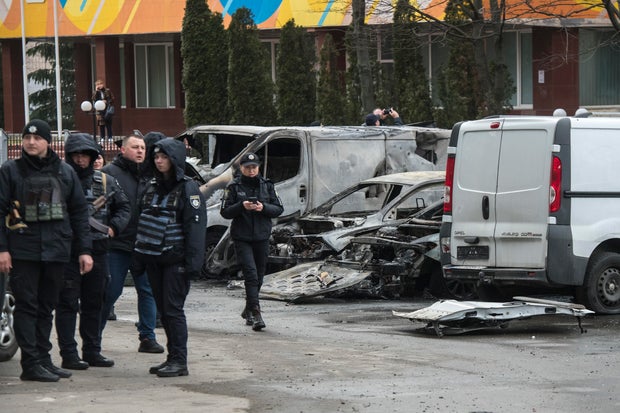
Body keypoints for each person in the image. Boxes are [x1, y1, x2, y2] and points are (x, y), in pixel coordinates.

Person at [0, 119, 93, 382]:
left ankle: (43, 358)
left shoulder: (64, 172)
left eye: (37, 138)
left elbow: (78, 213)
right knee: (27, 307)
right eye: (27, 138)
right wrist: (2, 249)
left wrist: (84, 250)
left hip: (57, 250)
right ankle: (30, 364)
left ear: (47, 141)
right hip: (23, 250)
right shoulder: (10, 171)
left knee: (46, 307)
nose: (31, 142)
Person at [55, 133, 131, 370]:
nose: (80, 160)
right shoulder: (59, 181)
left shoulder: (105, 181)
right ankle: (69, 353)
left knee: (94, 303)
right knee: (67, 304)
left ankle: (92, 350)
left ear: (92, 157)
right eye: (76, 155)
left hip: (98, 250)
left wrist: (113, 228)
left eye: (85, 155)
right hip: (67, 252)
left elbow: (124, 207)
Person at [133, 138, 206, 377]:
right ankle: (172, 358)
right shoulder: (151, 186)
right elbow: (140, 222)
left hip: (176, 262)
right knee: (163, 312)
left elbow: (195, 229)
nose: (159, 161)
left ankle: (180, 361)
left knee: (173, 311)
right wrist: (139, 259)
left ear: (174, 159)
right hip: (154, 260)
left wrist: (192, 265)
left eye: (163, 157)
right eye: (156, 157)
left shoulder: (188, 188)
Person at [100, 133, 164, 354]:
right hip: (117, 245)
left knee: (147, 291)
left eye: (143, 148)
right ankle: (93, 337)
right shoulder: (109, 174)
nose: (140, 151)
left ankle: (148, 337)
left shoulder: (152, 176)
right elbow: (100, 209)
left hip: (144, 246)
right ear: (123, 150)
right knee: (110, 291)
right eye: (135, 147)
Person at [220, 152, 283, 331]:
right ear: (241, 168)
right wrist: (241, 206)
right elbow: (225, 212)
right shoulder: (233, 187)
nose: (251, 170)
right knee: (251, 274)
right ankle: (256, 312)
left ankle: (248, 308)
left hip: (262, 237)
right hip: (242, 237)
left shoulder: (267, 185)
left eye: (254, 167)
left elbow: (278, 208)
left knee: (259, 276)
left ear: (259, 167)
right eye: (247, 167)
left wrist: (263, 207)